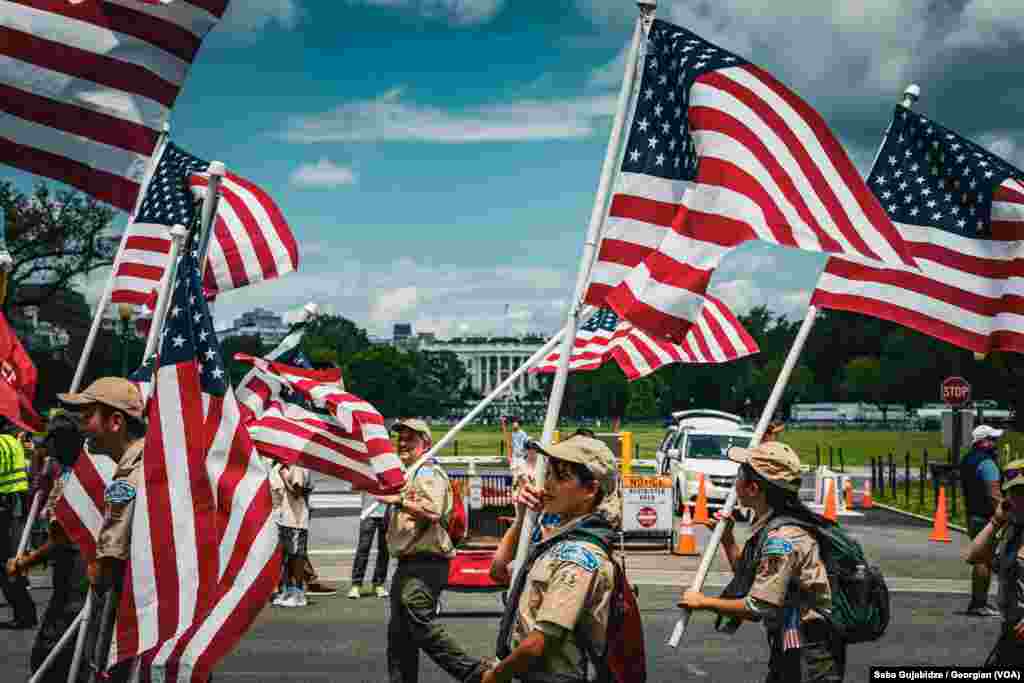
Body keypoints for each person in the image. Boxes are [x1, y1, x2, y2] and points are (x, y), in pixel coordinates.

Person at [677, 441, 843, 682]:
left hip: (808, 653)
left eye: (739, 476)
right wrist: (728, 541)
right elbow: (755, 580)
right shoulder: (773, 524)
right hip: (791, 645)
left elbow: (759, 605)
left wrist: (703, 602)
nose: (736, 483)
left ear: (753, 488)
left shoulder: (783, 538)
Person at [484, 435, 621, 683]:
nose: (547, 484)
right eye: (547, 474)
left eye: (561, 477)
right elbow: (498, 569)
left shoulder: (579, 555)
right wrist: (523, 518)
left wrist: (496, 675)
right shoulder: (554, 532)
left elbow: (539, 642)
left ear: (590, 490)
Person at [373, 418, 487, 683]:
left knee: (417, 619)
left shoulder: (428, 472)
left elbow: (433, 511)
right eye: (400, 437)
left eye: (410, 438)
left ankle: (473, 672)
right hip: (408, 561)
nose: (402, 442)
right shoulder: (410, 473)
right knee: (400, 637)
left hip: (426, 560)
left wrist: (398, 500)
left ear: (426, 444)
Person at [57, 377, 147, 683]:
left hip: (133, 619)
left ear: (115, 422)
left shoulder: (131, 477)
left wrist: (97, 572)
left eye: (88, 416)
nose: (82, 425)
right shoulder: (146, 463)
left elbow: (109, 563)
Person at [7, 411, 88, 681]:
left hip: (75, 579)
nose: (43, 447)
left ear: (59, 444)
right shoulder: (69, 472)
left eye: (48, 442)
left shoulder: (73, 480)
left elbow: (62, 538)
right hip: (71, 578)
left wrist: (25, 562)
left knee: (52, 655)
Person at [966, 459, 1024, 666]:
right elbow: (974, 556)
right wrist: (996, 521)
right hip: (1012, 632)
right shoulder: (1011, 531)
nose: (1019, 499)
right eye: (1014, 493)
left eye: (1023, 492)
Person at [961, 424, 1004, 617]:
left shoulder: (968, 459)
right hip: (987, 517)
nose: (996, 443)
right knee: (984, 560)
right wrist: (1005, 516)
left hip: (972, 514)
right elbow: (994, 494)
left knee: (982, 557)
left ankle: (978, 602)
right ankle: (979, 603)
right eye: (993, 439)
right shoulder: (987, 463)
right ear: (983, 442)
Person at [0, 414, 36, 629]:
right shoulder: (13, 442)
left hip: (4, 503)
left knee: (6, 563)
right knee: (10, 558)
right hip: (16, 503)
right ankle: (25, 613)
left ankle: (23, 614)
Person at [270, 462, 313, 608]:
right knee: (286, 557)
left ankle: (299, 593)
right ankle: (288, 591)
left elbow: (297, 493)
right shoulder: (277, 466)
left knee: (297, 557)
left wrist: (283, 477)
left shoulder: (296, 467)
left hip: (296, 519)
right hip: (283, 519)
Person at [348, 488, 389, 599]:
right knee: (363, 548)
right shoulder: (367, 471)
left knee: (384, 550)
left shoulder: (391, 471)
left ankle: (378, 584)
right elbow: (354, 487)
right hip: (369, 512)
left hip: (387, 511)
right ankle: (356, 584)